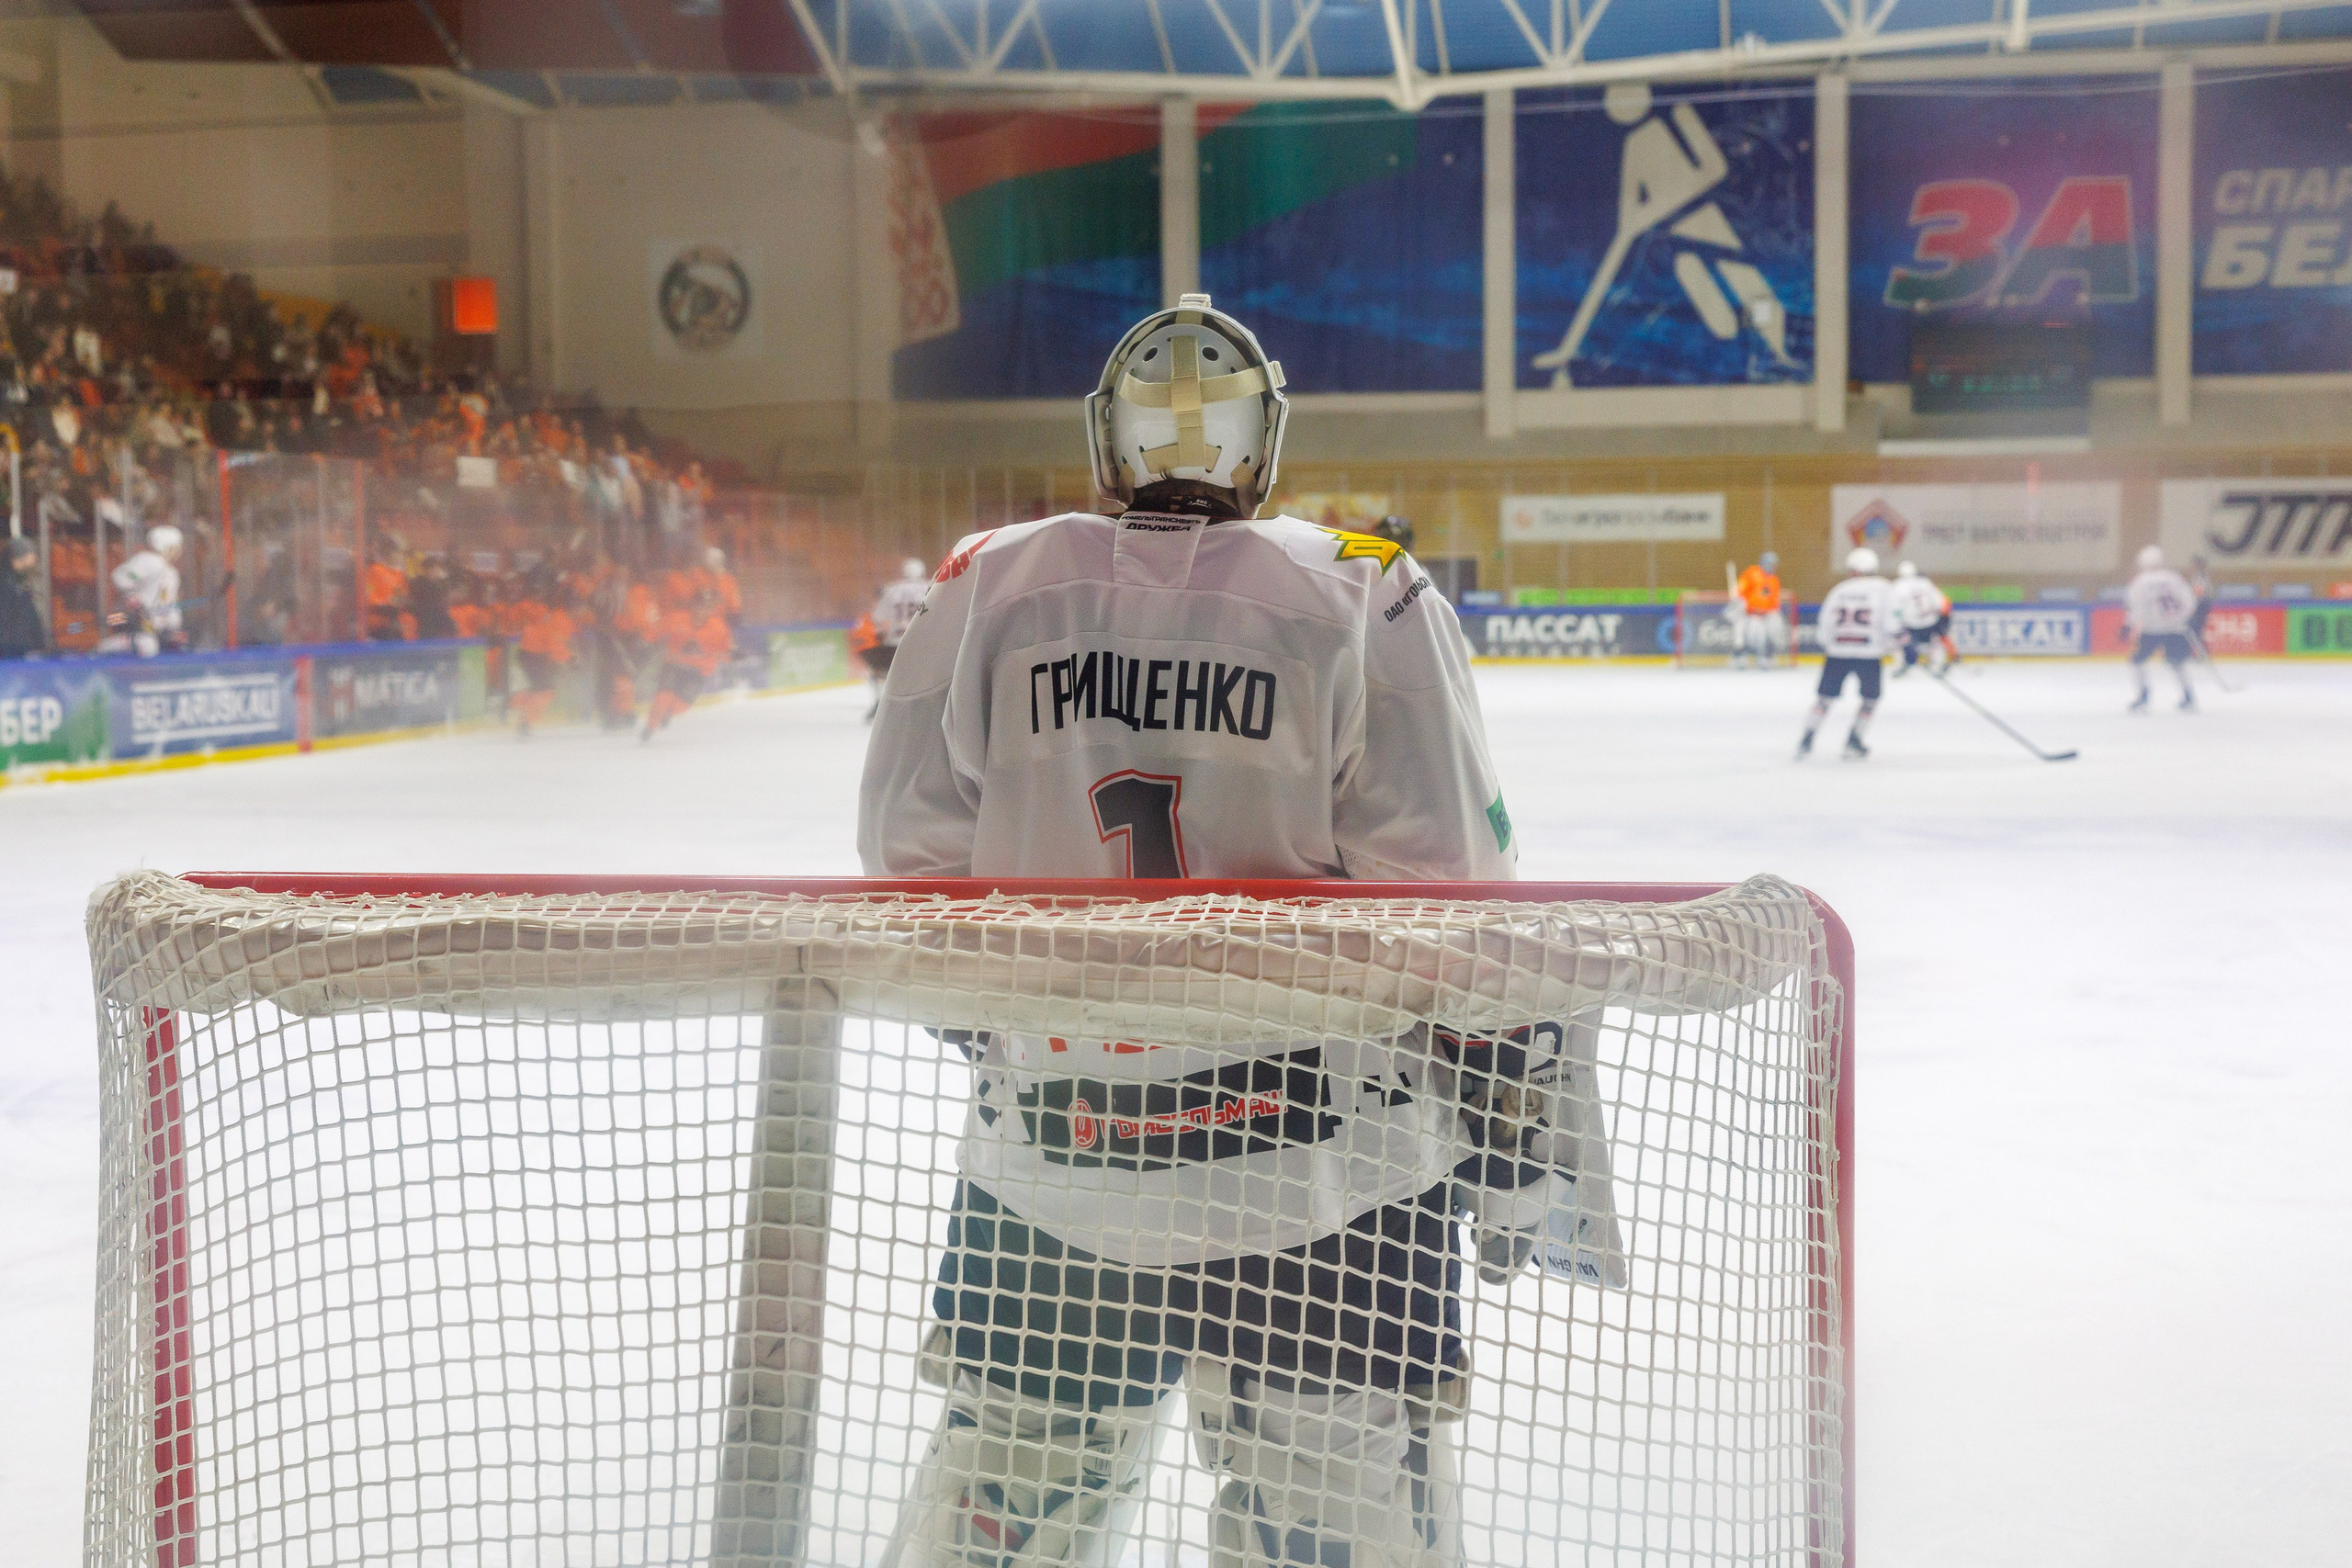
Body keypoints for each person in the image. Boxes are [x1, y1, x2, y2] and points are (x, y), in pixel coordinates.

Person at [859, 293, 1522, 1564]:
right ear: (1264, 440)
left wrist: (1039, 1021)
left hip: (1053, 1150)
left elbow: (910, 861)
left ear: (1105, 440)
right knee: (1331, 1509)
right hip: (1329, 1165)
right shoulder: (1365, 590)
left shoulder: (983, 579)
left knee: (1013, 1492)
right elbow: (1450, 882)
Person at [1798, 547, 1894, 760]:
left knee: (1824, 699)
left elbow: (1825, 623)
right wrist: (1896, 644)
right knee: (1870, 699)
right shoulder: (1884, 589)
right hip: (1869, 654)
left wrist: (1830, 645)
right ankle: (1854, 740)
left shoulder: (1839, 590)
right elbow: (1891, 621)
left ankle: (1807, 739)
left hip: (1838, 653)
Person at [643, 586, 729, 739]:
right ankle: (650, 727)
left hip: (699, 672)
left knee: (681, 706)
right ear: (693, 607)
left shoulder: (719, 628)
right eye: (699, 606)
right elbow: (656, 631)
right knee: (663, 697)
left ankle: (668, 714)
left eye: (707, 607)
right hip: (674, 665)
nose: (702, 611)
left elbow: (725, 651)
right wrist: (648, 640)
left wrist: (731, 655)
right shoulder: (675, 619)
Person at [2124, 545, 2197, 713]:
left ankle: (2143, 697)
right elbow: (2189, 601)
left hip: (2152, 629)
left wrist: (2130, 624)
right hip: (2176, 628)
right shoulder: (2174, 578)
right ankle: (2188, 697)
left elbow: (2136, 607)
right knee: (2178, 663)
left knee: (2137, 662)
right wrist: (2183, 620)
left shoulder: (2140, 582)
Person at [861, 557, 929, 720]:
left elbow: (877, 618)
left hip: (894, 644)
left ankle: (879, 703)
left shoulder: (892, 590)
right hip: (921, 644)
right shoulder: (931, 587)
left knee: (878, 673)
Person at [106, 524, 184, 657]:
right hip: (136, 625)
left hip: (158, 630)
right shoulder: (150, 561)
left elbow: (170, 605)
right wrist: (131, 596)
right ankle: (100, 650)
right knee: (147, 645)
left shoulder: (171, 573)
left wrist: (174, 629)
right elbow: (123, 575)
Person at [510, 579, 573, 737]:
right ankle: (524, 718)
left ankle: (518, 707)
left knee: (540, 688)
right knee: (545, 690)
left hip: (529, 653)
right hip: (534, 654)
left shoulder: (550, 613)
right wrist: (570, 659)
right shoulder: (560, 618)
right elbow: (554, 644)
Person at [1889, 560, 1952, 675]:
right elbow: (1939, 602)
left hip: (1911, 623)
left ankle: (1900, 665)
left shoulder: (1897, 585)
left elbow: (1895, 609)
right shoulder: (1925, 582)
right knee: (1935, 643)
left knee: (1898, 642)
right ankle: (1937, 665)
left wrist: (1897, 623)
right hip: (1930, 621)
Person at [1732, 552, 1786, 670]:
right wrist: (1739, 602)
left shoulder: (1774, 580)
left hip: (1764, 615)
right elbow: (1740, 592)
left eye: (1774, 564)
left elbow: (1774, 603)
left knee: (1774, 628)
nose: (1773, 567)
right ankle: (1740, 656)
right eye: (1771, 564)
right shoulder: (1752, 573)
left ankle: (1767, 656)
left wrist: (1767, 614)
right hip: (1748, 614)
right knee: (1742, 631)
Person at [0, 536, 45, 658]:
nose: (31, 567)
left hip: (20, 650)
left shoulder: (18, 584)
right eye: (28, 563)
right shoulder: (7, 585)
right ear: (16, 560)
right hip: (11, 653)